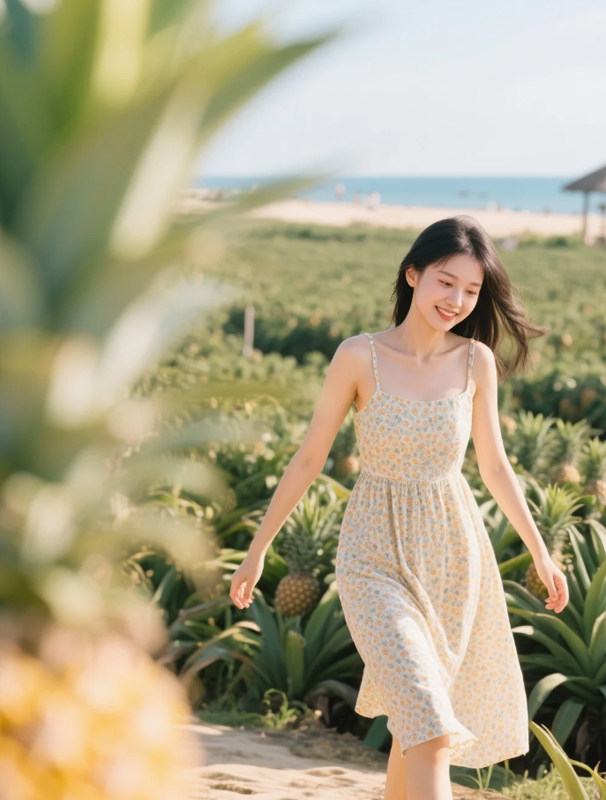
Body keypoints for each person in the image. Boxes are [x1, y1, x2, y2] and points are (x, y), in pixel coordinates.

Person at [229, 216, 570, 800]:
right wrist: (257, 551)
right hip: (373, 558)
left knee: (416, 729)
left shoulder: (476, 362)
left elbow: (494, 467)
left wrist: (543, 556)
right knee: (431, 728)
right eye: (445, 282)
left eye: (471, 290)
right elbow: (309, 458)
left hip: (451, 560)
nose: (457, 300)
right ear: (413, 274)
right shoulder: (359, 357)